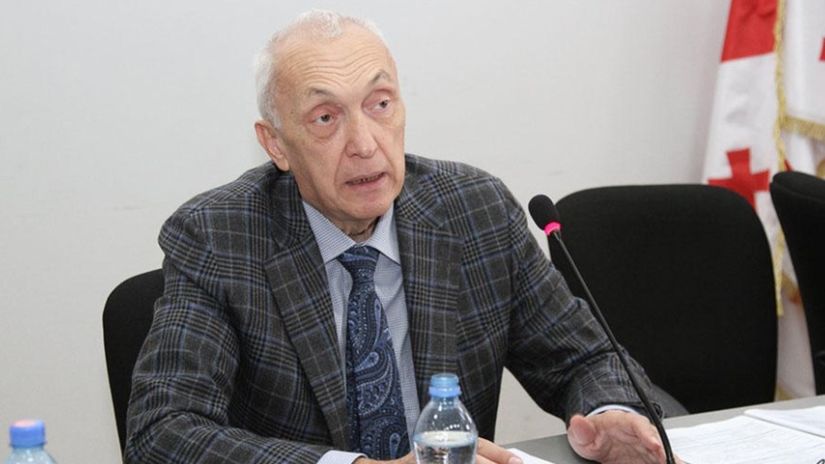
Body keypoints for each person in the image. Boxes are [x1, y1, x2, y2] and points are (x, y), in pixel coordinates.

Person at [125, 9, 678, 464]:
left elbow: (583, 358)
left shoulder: (476, 210)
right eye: (325, 118)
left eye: (380, 104)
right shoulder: (219, 236)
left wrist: (611, 415)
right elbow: (162, 432)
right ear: (276, 144)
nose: (365, 144)